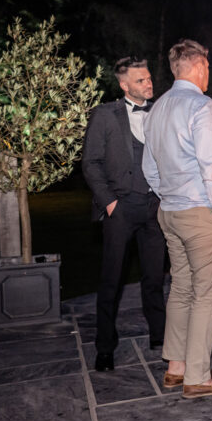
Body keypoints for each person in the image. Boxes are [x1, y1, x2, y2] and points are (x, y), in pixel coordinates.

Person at [142, 39, 212, 398]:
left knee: (182, 287)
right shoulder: (201, 105)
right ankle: (197, 377)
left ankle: (176, 367)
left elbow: (149, 167)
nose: (208, 74)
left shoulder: (158, 109)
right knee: (207, 295)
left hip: (170, 212)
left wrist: (168, 194)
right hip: (202, 213)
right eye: (208, 68)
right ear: (199, 67)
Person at [81, 56, 167, 372]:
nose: (148, 83)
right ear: (124, 84)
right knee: (111, 280)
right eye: (141, 80)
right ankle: (105, 347)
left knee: (155, 277)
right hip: (120, 208)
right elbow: (90, 163)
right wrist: (110, 202)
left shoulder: (160, 111)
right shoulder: (105, 115)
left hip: (154, 207)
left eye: (148, 78)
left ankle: (160, 337)